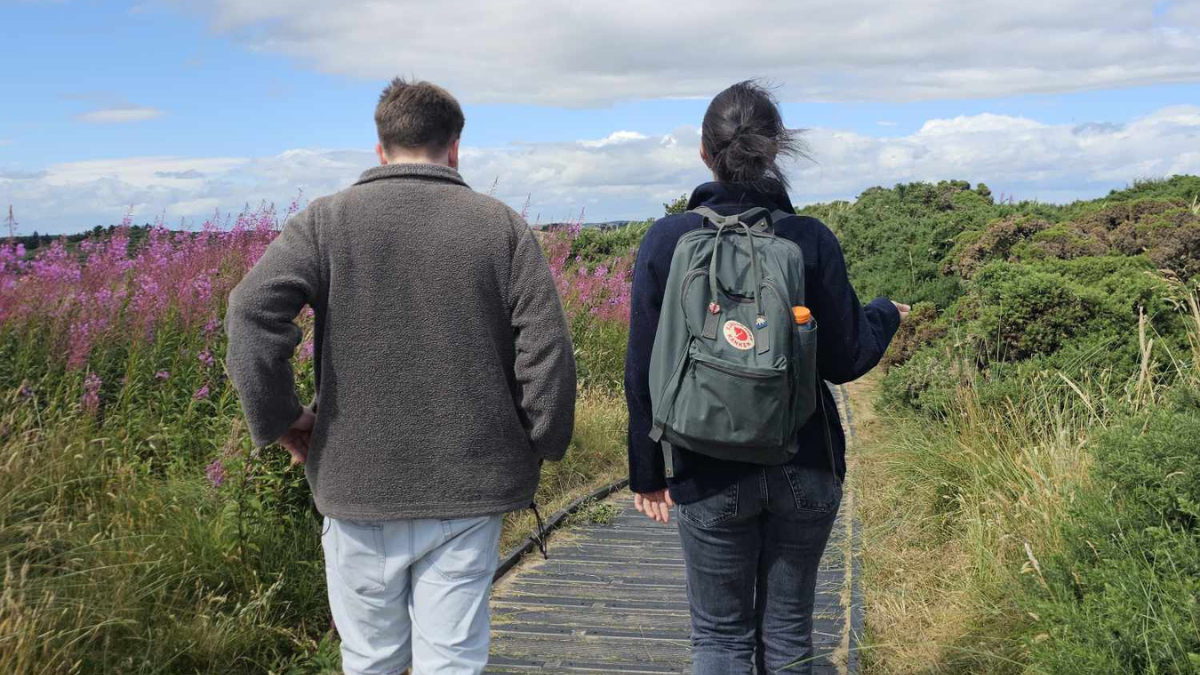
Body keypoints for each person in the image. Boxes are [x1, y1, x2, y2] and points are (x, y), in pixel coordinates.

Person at [225, 77, 577, 675]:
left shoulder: (324, 222)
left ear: (380, 147)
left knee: (371, 659)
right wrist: (544, 440)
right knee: (453, 660)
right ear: (455, 146)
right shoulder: (501, 227)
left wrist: (282, 421)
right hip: (470, 483)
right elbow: (547, 350)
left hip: (356, 481)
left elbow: (250, 313)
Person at [624, 80, 909, 675]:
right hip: (805, 463)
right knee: (787, 637)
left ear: (705, 153)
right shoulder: (808, 238)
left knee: (719, 639)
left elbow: (645, 367)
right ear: (774, 150)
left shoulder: (667, 239)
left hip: (705, 469)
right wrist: (886, 314)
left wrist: (647, 474)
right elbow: (846, 358)